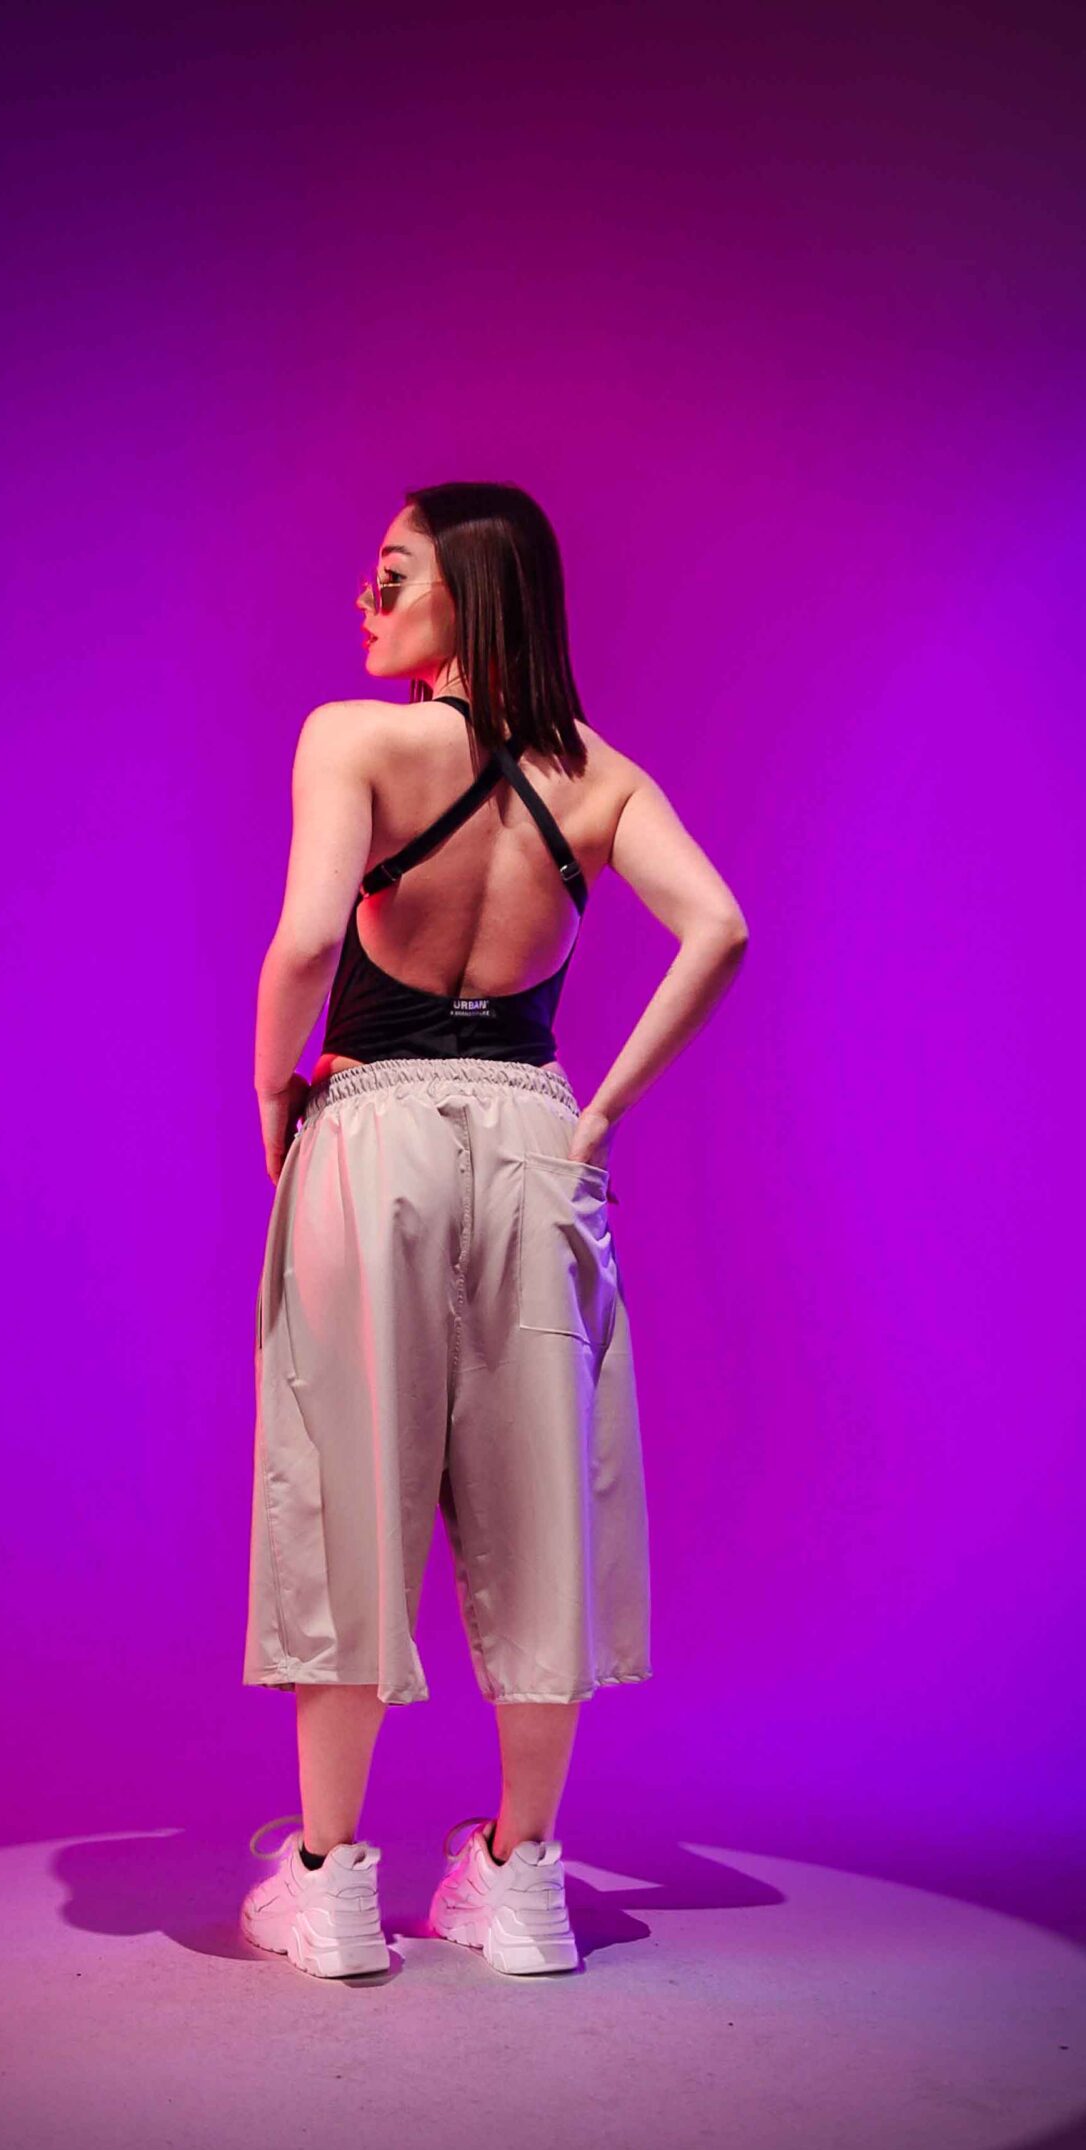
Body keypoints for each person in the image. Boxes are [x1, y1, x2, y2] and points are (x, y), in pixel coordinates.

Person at [241, 480, 749, 1981]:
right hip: (536, 1132)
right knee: (542, 1504)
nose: (365, 599)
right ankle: (523, 1882)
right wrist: (599, 1119)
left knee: (349, 1483)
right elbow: (719, 925)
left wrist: (270, 1089)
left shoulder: (354, 738)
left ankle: (332, 1886)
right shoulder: (603, 779)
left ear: (470, 591)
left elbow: (311, 939)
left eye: (392, 575)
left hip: (372, 1122)